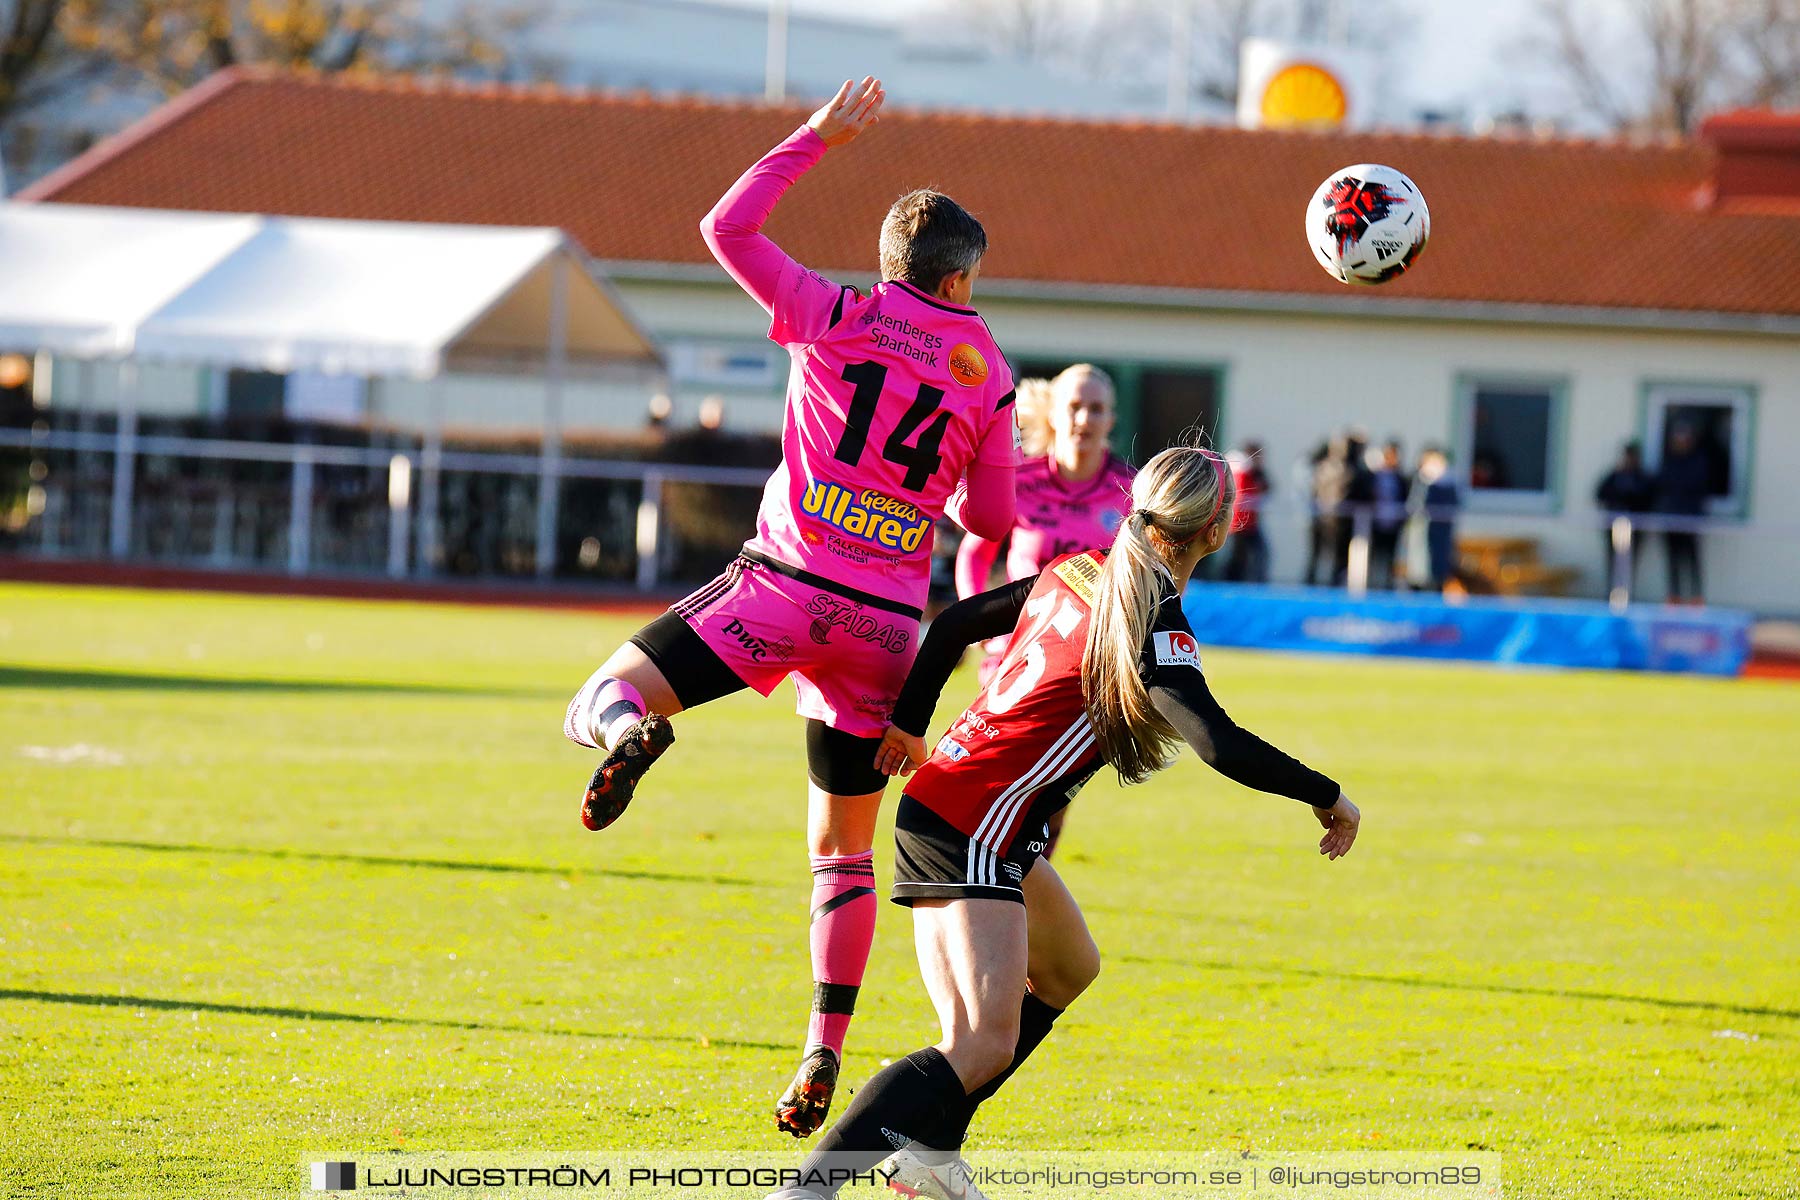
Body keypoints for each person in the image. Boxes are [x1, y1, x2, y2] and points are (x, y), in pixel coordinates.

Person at [560, 77, 1020, 1138]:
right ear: (960, 276)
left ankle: (635, 735)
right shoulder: (984, 366)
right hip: (888, 632)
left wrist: (817, 136)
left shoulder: (834, 312)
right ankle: (821, 1048)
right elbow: (992, 516)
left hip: (787, 585)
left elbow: (725, 227)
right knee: (840, 855)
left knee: (603, 695)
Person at [764, 445, 1361, 1200]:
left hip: (971, 811)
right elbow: (1217, 742)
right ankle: (810, 1190)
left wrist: (914, 727)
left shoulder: (1082, 568)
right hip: (972, 823)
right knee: (979, 1045)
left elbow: (952, 624)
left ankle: (929, 1156)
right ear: (1219, 527)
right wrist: (1327, 794)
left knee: (1070, 967)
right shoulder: (1152, 622)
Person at [1655, 425, 1709, 604]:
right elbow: (1662, 484)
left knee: (1692, 559)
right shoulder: (1669, 461)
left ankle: (1696, 597)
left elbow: (1698, 486)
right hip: (1670, 517)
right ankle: (1674, 596)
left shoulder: (1698, 461)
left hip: (1689, 518)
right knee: (1673, 559)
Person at [1594, 441, 1654, 590]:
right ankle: (1611, 592)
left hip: (1634, 527)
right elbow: (1601, 494)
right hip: (1614, 525)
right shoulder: (1615, 476)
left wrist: (1630, 494)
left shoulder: (1642, 478)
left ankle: (1625, 593)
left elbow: (1647, 499)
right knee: (1613, 561)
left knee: (1629, 563)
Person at [1221, 441, 1271, 583]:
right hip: (1239, 522)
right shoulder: (1242, 471)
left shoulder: (1255, 473)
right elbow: (1245, 492)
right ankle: (1229, 582)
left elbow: (1267, 487)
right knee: (1238, 556)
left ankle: (1248, 581)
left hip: (1250, 522)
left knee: (1254, 554)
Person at [1369, 439, 1406, 589]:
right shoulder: (1374, 476)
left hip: (1393, 524)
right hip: (1376, 523)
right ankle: (1372, 585)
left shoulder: (1400, 478)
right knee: (1375, 557)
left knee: (1390, 558)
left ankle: (1387, 586)